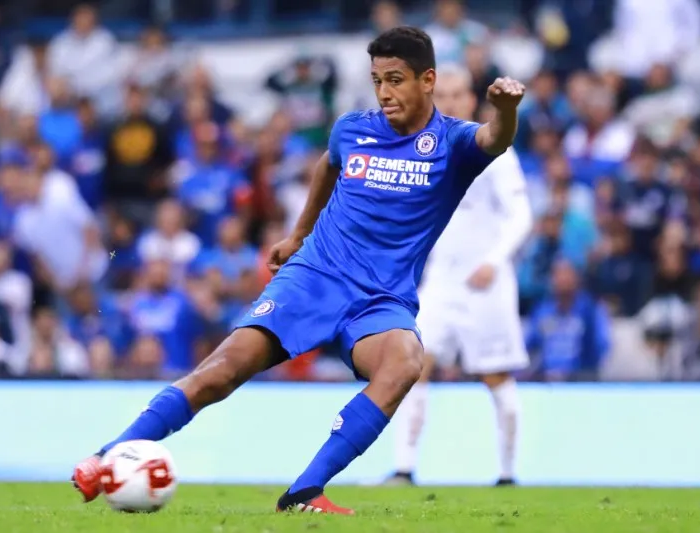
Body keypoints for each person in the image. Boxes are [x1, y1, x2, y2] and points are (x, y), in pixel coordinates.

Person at [72, 26, 525, 514]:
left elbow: (495, 139)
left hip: (380, 298)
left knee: (405, 363)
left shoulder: (453, 144)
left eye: (396, 80)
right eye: (377, 81)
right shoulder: (352, 128)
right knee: (219, 374)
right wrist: (298, 234)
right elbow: (328, 167)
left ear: (427, 79)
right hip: (315, 276)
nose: (385, 93)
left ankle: (305, 491)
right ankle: (103, 458)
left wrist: (505, 109)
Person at [386, 66, 533, 487]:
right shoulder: (423, 150)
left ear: (472, 99)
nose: (448, 102)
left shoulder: (494, 151)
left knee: (496, 376)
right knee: (412, 366)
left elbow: (521, 215)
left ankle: (507, 473)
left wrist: (495, 259)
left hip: (485, 283)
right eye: (441, 95)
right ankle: (403, 469)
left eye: (456, 94)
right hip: (440, 283)